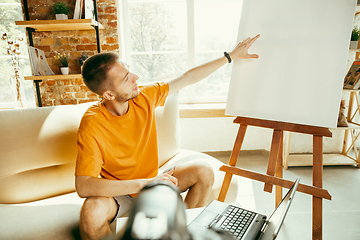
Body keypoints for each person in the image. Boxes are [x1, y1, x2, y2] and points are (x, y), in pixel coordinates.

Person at [75, 34, 260, 240]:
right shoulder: (92, 123)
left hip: (154, 179)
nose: (136, 77)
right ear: (108, 94)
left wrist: (230, 56)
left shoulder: (143, 96)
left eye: (130, 72)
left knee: (204, 171)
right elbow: (84, 186)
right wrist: (143, 183)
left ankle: (179, 235)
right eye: (127, 78)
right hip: (120, 190)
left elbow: (187, 78)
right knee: (91, 213)